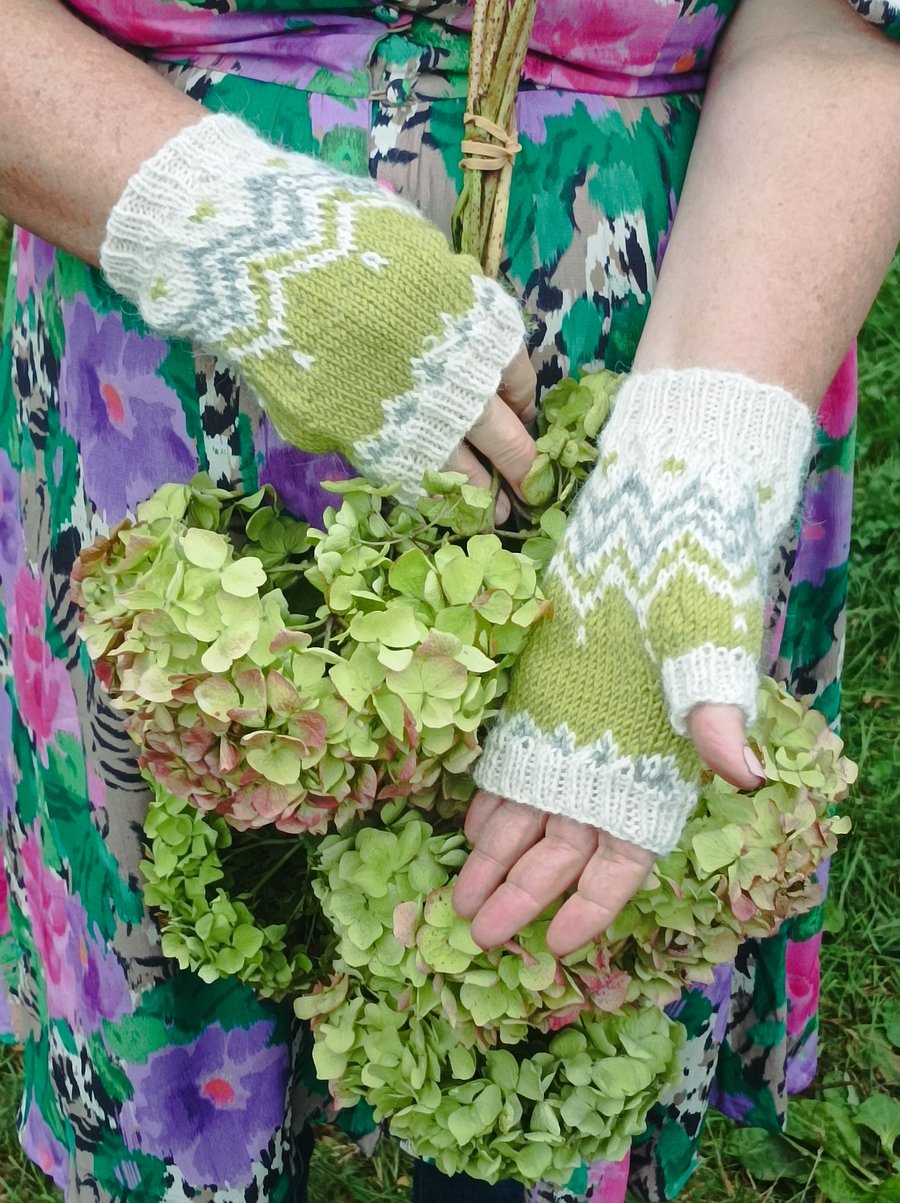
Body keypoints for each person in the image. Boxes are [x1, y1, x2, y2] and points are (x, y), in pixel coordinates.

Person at [0, 2, 898, 1202]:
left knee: (547, 994)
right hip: (168, 363)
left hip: (664, 361)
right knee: (187, 942)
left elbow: (835, 28)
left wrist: (689, 487)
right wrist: (233, 240)